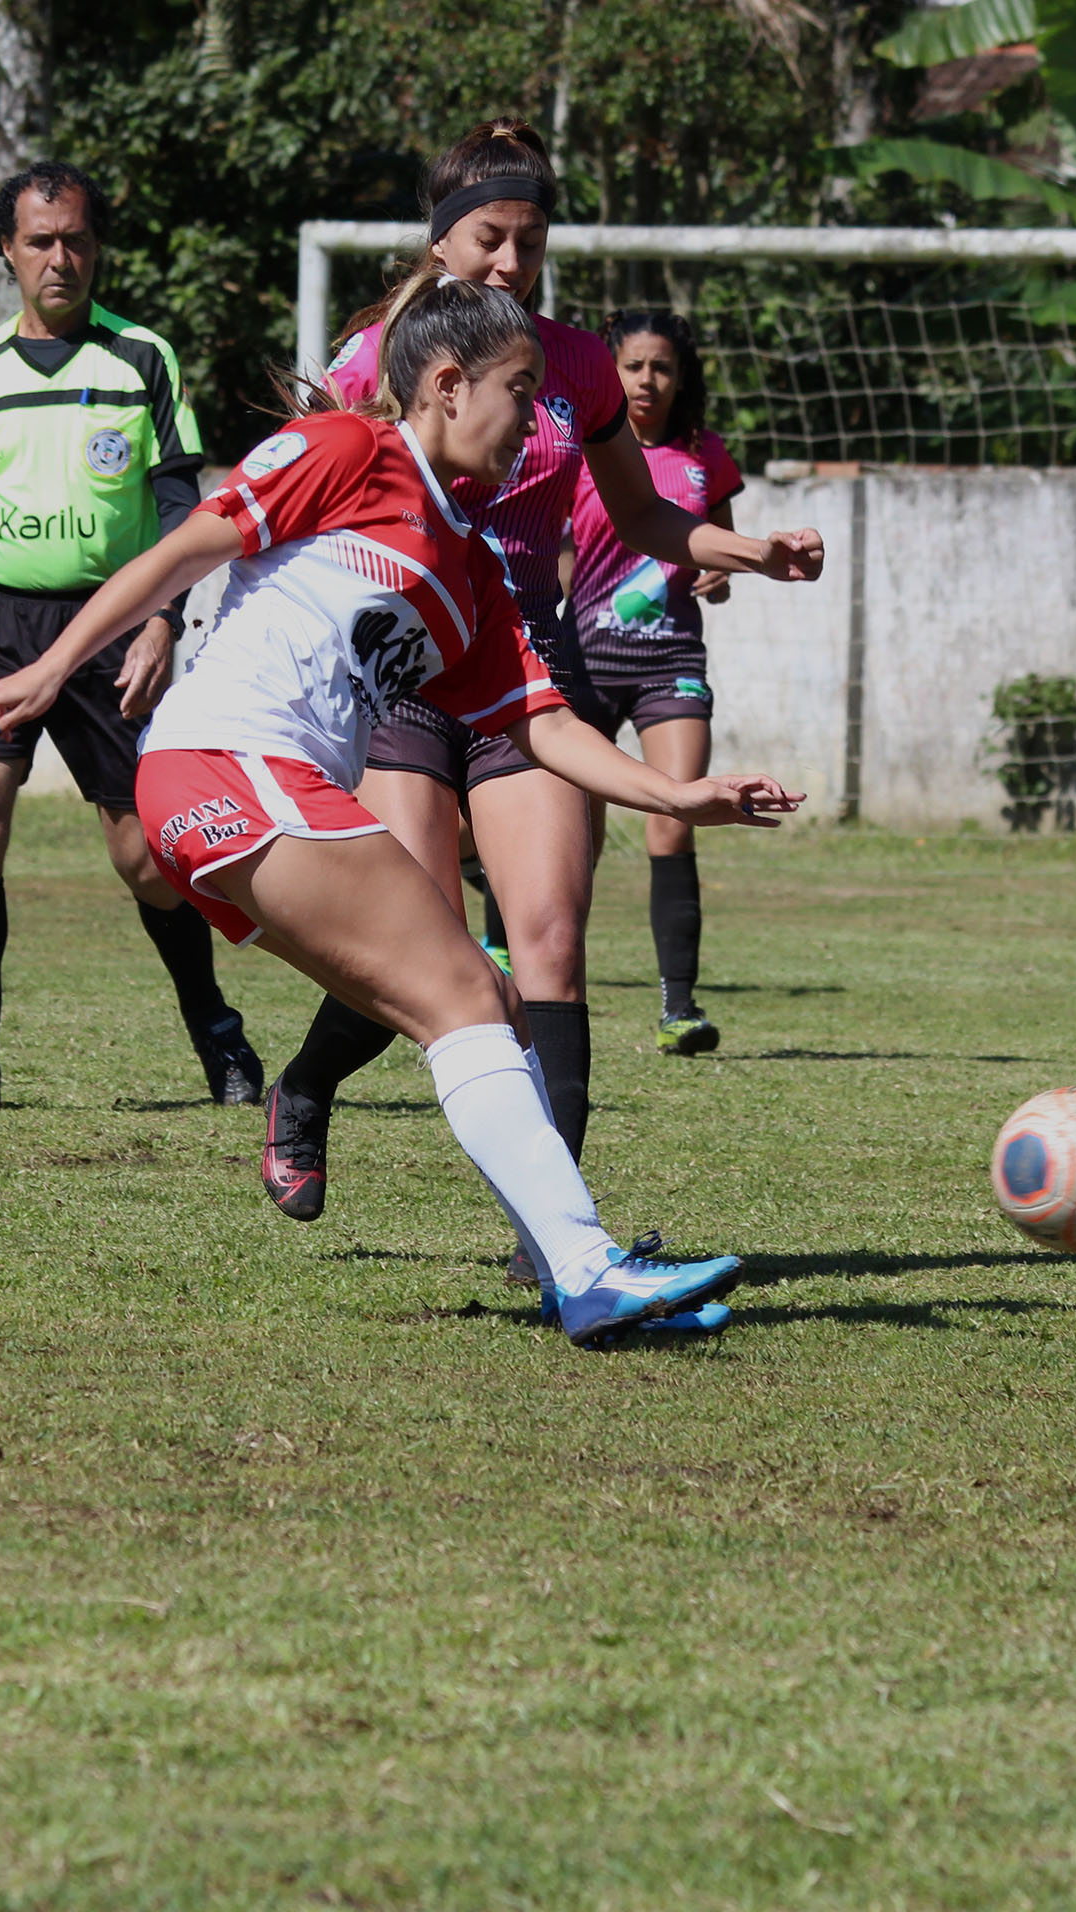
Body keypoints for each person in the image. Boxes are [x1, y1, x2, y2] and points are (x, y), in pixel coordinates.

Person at [0, 281, 803, 1343]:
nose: (541, 419)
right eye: (520, 390)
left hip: (263, 792)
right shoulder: (347, 449)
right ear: (447, 386)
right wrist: (51, 665)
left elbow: (540, 725)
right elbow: (186, 550)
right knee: (466, 990)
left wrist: (676, 792)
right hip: (223, 764)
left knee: (479, 998)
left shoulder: (473, 572)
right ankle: (586, 1269)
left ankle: (573, 1267)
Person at [256, 119, 823, 1230]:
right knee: (416, 944)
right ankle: (306, 1086)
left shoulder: (575, 364)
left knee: (551, 939)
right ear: (442, 241)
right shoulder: (377, 355)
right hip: (405, 669)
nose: (514, 263)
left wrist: (748, 549)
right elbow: (302, 494)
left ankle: (554, 1229)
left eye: (533, 239)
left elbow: (647, 511)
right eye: (491, 238)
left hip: (530, 670)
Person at [0, 161, 264, 1111]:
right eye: (41, 241)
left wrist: (164, 620)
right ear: (7, 252)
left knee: (146, 854)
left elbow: (186, 504)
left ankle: (216, 1031)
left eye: (77, 239)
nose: (62, 257)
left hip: (113, 630)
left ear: (97, 246)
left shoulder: (142, 360)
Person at [572, 309, 744, 1053]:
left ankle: (679, 1006)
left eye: (662, 367)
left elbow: (721, 551)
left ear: (681, 377)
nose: (647, 380)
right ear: (611, 372)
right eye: (634, 365)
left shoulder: (705, 454)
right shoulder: (578, 447)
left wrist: (723, 573)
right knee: (562, 836)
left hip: (670, 660)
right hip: (580, 660)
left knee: (676, 816)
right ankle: (514, 967)